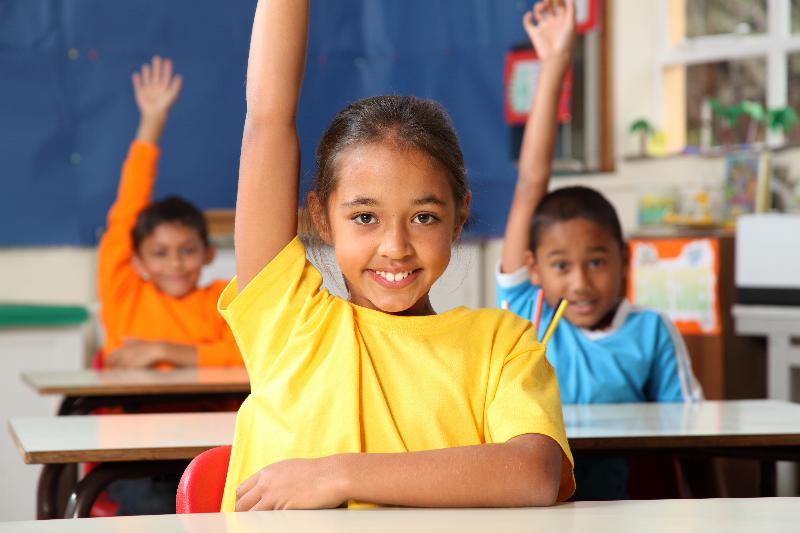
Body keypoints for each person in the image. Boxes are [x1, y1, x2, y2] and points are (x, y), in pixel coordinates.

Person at [218, 0, 575, 511]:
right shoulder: (287, 322)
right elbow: (267, 119)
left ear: (458, 217)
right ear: (322, 217)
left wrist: (341, 474)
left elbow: (534, 474)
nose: (395, 247)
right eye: (365, 217)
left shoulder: (501, 343)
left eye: (424, 217)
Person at [496, 0, 703, 500]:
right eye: (561, 265)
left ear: (625, 261)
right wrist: (555, 63)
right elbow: (530, 182)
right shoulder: (526, 312)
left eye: (596, 262)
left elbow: (695, 437)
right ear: (533, 269)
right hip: (537, 509)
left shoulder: (650, 331)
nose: (581, 283)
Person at [98, 56, 242, 369]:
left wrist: (162, 351)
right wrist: (152, 122)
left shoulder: (222, 301)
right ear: (138, 260)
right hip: (128, 403)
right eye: (159, 253)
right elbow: (127, 208)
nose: (175, 263)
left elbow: (250, 356)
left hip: (208, 403)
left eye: (187, 250)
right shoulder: (124, 293)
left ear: (208, 254)